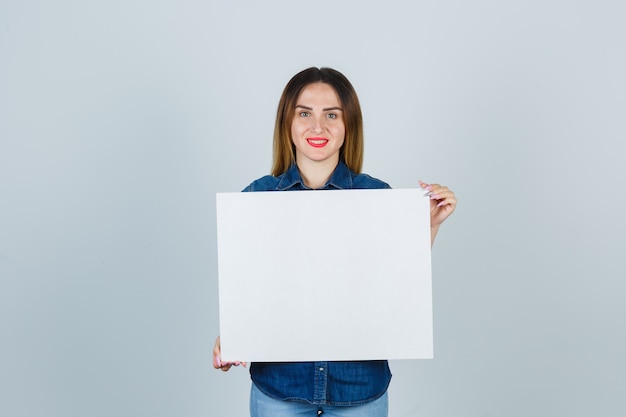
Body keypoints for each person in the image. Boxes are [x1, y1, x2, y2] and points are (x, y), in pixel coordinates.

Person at [212, 67, 457, 417]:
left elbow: (396, 284)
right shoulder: (257, 197)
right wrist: (232, 336)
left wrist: (428, 226)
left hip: (360, 389)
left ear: (348, 125)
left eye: (331, 114)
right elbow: (251, 289)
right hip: (280, 390)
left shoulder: (377, 196)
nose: (318, 127)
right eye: (304, 113)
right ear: (288, 124)